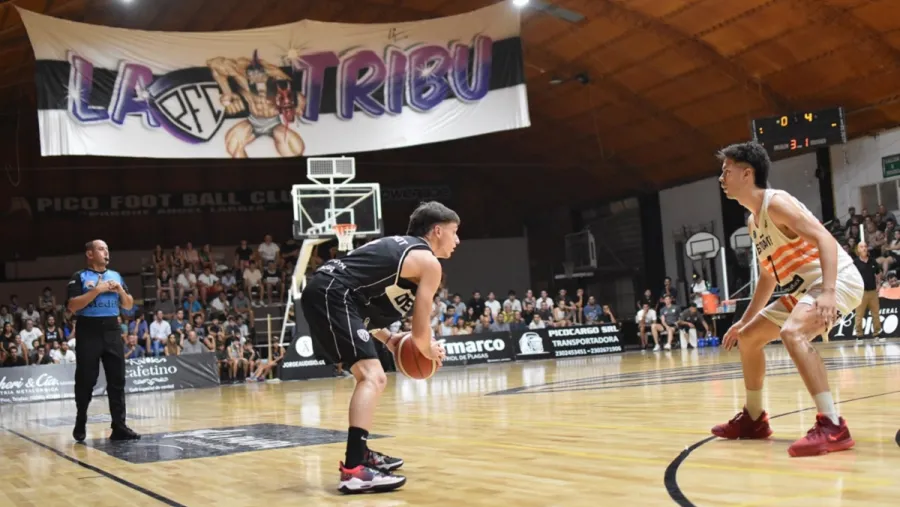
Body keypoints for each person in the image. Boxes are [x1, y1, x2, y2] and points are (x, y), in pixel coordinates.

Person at [714, 141, 863, 457]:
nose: (721, 178)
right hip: (804, 291)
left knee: (792, 332)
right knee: (749, 338)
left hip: (837, 280)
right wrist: (744, 321)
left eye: (727, 171)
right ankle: (754, 419)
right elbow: (768, 277)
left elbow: (825, 238)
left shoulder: (777, 204)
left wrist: (828, 292)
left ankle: (833, 425)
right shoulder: (754, 222)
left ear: (747, 173)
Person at [300, 201, 457, 493]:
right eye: (454, 232)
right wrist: (428, 350)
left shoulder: (398, 249)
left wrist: (390, 339)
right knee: (373, 377)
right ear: (437, 231)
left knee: (371, 375)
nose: (457, 240)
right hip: (333, 294)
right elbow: (420, 332)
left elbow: (360, 306)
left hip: (328, 291)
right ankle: (354, 470)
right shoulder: (429, 262)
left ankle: (361, 453)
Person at [67, 240, 141, 442]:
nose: (106, 253)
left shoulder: (115, 276)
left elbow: (128, 305)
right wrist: (97, 290)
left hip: (112, 329)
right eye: (101, 249)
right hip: (88, 330)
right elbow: (72, 306)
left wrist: (120, 291)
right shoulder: (79, 277)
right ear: (90, 254)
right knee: (86, 380)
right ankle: (81, 418)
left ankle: (119, 426)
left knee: (117, 380)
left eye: (107, 249)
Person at [851, 242, 882, 340]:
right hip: (861, 293)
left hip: (873, 291)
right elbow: (851, 277)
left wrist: (879, 284)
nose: (864, 248)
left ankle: (877, 333)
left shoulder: (873, 261)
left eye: (865, 246)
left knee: (875, 313)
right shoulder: (855, 263)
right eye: (861, 247)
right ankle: (859, 334)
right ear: (858, 250)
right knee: (859, 314)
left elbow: (878, 273)